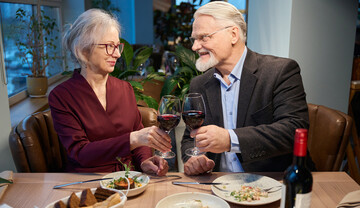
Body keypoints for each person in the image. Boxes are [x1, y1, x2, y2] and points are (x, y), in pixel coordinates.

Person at [181, 2, 314, 175]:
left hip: (273, 183)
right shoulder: (199, 83)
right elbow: (189, 138)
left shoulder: (280, 71)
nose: (194, 47)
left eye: (204, 37)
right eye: (194, 39)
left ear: (233, 35)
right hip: (217, 185)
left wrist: (230, 139)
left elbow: (293, 131)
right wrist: (194, 159)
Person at [49, 9, 171, 175]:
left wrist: (144, 161)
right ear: (83, 51)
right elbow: (80, 152)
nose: (117, 54)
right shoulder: (62, 96)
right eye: (108, 46)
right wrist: (132, 139)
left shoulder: (124, 88)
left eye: (117, 46)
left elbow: (138, 132)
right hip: (87, 182)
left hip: (130, 180)